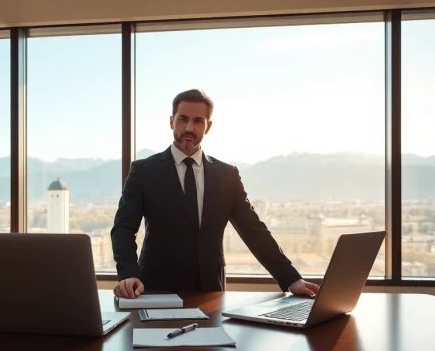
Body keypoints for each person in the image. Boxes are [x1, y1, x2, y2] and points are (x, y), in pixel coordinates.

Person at [110, 89, 319, 299]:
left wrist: (291, 278)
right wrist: (128, 273)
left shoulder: (227, 175)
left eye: (198, 121)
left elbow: (253, 230)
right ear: (172, 121)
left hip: (211, 290)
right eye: (183, 119)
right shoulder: (143, 171)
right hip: (155, 287)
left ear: (208, 126)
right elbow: (123, 228)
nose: (189, 127)